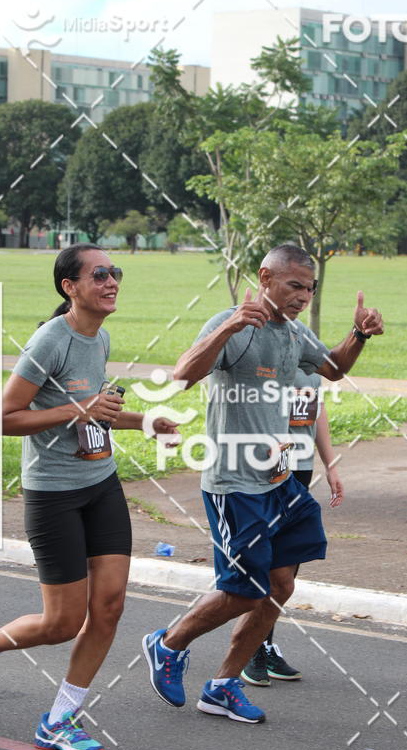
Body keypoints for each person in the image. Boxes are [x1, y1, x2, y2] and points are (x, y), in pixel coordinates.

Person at [0, 243, 177, 750]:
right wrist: (78, 409)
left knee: (110, 607)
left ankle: (60, 719)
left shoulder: (100, 337)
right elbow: (2, 418)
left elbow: (96, 412)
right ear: (70, 287)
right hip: (53, 496)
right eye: (99, 274)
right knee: (62, 623)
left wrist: (145, 421)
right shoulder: (51, 340)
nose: (111, 281)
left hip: (101, 484)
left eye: (115, 272)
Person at [142, 243, 383, 724]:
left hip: (280, 482)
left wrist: (359, 334)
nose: (303, 297)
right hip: (235, 484)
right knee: (246, 590)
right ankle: (168, 644)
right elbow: (182, 375)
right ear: (265, 277)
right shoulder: (233, 325)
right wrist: (229, 327)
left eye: (309, 289)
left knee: (281, 584)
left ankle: (223, 685)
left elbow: (333, 369)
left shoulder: (294, 333)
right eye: (295, 286)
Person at [241, 369, 344, 686]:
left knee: (287, 562)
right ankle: (250, 648)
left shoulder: (310, 359)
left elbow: (317, 410)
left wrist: (330, 465)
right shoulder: (270, 356)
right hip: (267, 467)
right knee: (264, 562)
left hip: (299, 467)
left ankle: (264, 642)